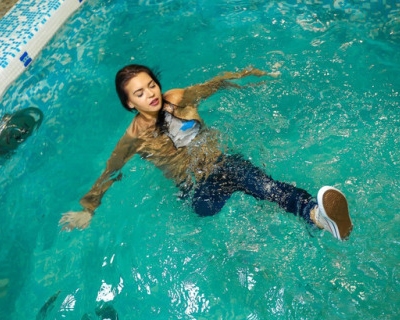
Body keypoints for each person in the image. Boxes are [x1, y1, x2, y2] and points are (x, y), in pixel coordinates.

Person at [60, 65, 353, 240]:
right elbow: (111, 171)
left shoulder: (177, 98)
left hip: (222, 161)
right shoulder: (133, 138)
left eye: (151, 85)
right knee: (215, 210)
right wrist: (88, 209)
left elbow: (215, 84)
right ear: (129, 104)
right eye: (140, 93)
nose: (151, 94)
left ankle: (318, 217)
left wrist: (252, 76)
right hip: (196, 189)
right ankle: (272, 223)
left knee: (265, 186)